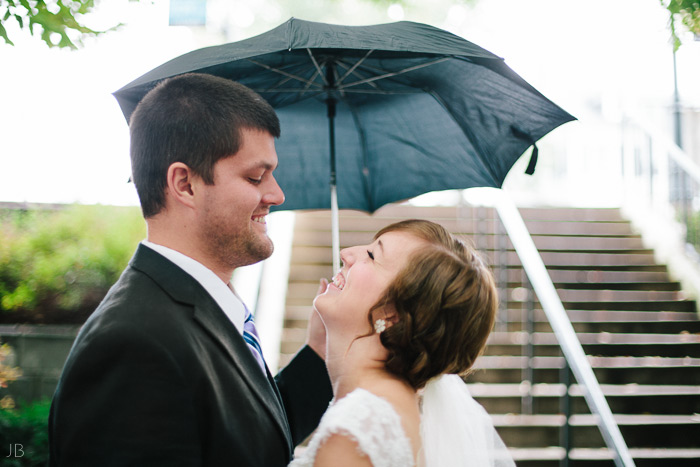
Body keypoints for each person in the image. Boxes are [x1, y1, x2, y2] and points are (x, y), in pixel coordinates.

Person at [48, 73, 332, 466]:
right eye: (255, 176)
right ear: (185, 184)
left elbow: (245, 438)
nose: (277, 195)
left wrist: (321, 351)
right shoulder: (133, 343)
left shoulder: (199, 305)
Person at [290, 219, 515, 467]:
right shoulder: (387, 413)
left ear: (392, 314)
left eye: (372, 255)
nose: (346, 253)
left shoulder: (354, 433)